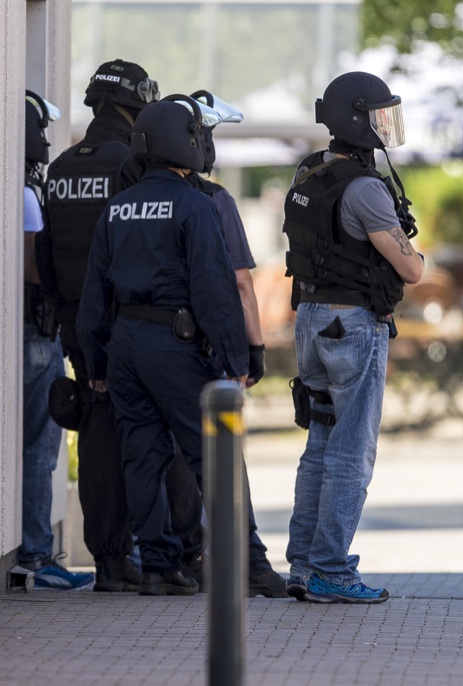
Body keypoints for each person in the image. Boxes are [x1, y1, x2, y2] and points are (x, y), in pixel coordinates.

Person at [76, 99, 250, 595]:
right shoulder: (195, 204)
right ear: (185, 142)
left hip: (126, 344)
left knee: (142, 458)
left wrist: (97, 360)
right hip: (174, 343)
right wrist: (235, 359)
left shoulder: (118, 207)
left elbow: (96, 294)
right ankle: (243, 562)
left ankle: (158, 567)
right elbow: (214, 291)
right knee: (210, 455)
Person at [281, 72, 424, 603]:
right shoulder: (365, 188)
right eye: (379, 116)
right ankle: (331, 572)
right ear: (358, 119)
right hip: (353, 326)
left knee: (319, 443)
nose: (386, 127)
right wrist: (416, 254)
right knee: (351, 451)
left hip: (311, 319)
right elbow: (410, 271)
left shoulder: (308, 172)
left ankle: (301, 566)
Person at [157, 91, 286, 597]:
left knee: (163, 454)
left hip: (145, 345)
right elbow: (240, 285)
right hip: (205, 349)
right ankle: (249, 563)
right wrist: (251, 352)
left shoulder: (138, 195)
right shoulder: (213, 200)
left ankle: (183, 556)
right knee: (219, 457)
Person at [37, 59, 159, 592]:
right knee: (139, 439)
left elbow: (46, 252)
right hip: (124, 323)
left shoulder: (61, 167)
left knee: (95, 436)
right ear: (137, 106)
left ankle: (107, 560)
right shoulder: (129, 164)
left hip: (71, 324)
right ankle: (132, 556)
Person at [19, 90, 94, 591]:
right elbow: (31, 265)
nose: (47, 139)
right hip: (38, 334)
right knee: (42, 450)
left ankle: (33, 549)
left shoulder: (29, 188)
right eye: (42, 128)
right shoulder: (25, 194)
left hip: (32, 332)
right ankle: (36, 554)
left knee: (37, 449)